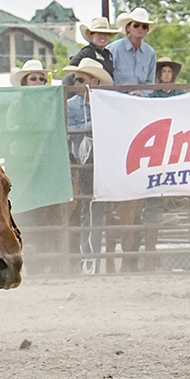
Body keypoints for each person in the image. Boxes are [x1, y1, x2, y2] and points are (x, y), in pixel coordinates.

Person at [62, 62, 111, 275]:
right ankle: (90, 260)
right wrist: (94, 128)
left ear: (94, 81)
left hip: (106, 158)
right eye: (76, 80)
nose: (77, 83)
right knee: (90, 209)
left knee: (93, 209)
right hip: (85, 160)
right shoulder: (72, 104)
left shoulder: (107, 102)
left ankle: (93, 260)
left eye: (81, 80)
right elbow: (72, 129)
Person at [109, 7, 157, 87]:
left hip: (140, 98)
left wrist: (140, 93)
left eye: (144, 26)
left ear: (147, 31)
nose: (140, 29)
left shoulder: (150, 53)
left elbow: (150, 82)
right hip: (117, 97)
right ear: (128, 28)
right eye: (136, 25)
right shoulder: (114, 49)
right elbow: (107, 80)